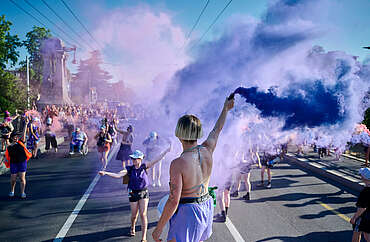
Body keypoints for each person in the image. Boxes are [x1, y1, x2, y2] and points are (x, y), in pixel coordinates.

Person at [152, 97, 234, 242]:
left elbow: (173, 201)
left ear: (179, 134)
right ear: (198, 133)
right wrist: (225, 109)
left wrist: (158, 230)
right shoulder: (208, 149)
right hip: (206, 207)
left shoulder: (178, 163)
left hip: (188, 213)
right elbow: (217, 129)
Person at [99, 147, 171, 242]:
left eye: (135, 158)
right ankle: (132, 227)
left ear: (140, 159)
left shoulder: (144, 166)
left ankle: (144, 237)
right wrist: (106, 173)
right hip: (132, 193)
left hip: (143, 193)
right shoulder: (129, 169)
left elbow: (156, 160)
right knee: (134, 215)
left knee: (143, 214)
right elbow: (118, 175)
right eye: (133, 158)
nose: (133, 160)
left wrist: (165, 151)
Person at [4, 118, 32, 198]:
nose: (16, 138)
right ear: (12, 138)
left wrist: (26, 124)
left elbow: (23, 133)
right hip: (13, 163)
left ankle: (23, 192)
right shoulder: (9, 145)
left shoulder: (21, 142)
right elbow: (6, 141)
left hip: (22, 162)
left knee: (22, 178)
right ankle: (12, 190)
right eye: (14, 137)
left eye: (16, 136)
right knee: (13, 179)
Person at [350, 168, 370, 242]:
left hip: (364, 217)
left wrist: (354, 218)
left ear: (364, 177)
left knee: (357, 233)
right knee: (367, 235)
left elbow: (362, 208)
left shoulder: (365, 192)